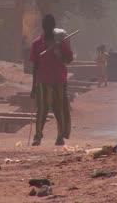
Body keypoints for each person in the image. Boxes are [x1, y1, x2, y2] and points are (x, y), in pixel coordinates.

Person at [30, 14, 74, 146]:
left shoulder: (60, 43)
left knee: (59, 108)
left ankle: (60, 136)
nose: (49, 29)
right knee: (42, 108)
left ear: (54, 27)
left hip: (59, 80)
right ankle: (37, 136)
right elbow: (35, 66)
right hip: (42, 80)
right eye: (46, 26)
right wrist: (33, 87)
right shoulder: (37, 43)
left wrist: (59, 52)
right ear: (44, 27)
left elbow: (69, 59)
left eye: (51, 26)